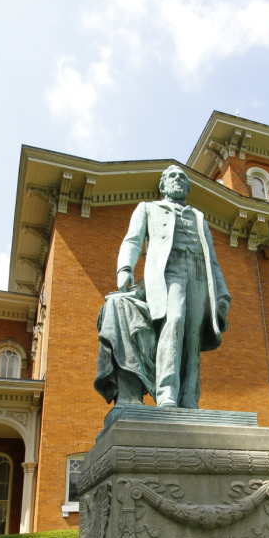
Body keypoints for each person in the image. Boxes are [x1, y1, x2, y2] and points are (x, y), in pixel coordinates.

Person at [97, 164, 230, 410]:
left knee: (193, 334)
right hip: (170, 273)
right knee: (175, 321)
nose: (177, 179)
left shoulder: (199, 218)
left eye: (182, 177)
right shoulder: (148, 208)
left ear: (188, 187)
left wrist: (222, 294)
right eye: (172, 176)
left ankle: (190, 398)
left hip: (199, 274)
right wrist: (125, 268)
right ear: (163, 185)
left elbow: (212, 261)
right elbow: (132, 241)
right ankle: (167, 392)